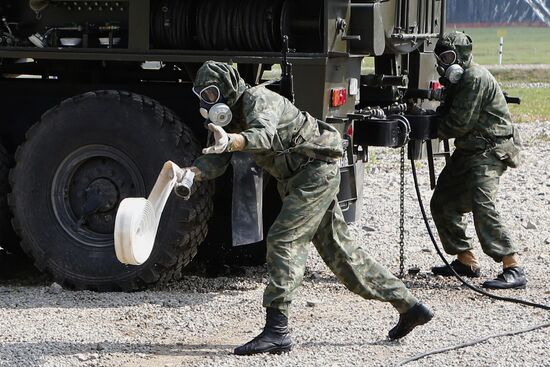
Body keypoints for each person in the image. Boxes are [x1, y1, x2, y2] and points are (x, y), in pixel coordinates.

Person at [184, 61, 433, 356]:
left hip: (314, 172)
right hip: (296, 178)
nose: (207, 103)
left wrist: (234, 140)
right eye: (202, 96)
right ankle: (410, 306)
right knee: (342, 254)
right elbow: (217, 158)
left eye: (212, 94)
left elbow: (262, 135)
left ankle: (277, 330)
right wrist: (190, 173)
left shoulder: (258, 100)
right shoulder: (227, 119)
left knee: (284, 239)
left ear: (227, 88)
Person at [430, 31, 527, 289]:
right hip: (469, 150)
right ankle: (466, 260)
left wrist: (428, 127)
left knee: (483, 205)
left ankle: (513, 266)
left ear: (462, 55)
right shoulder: (458, 81)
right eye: (441, 58)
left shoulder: (474, 77)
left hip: (489, 150)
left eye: (449, 56)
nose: (445, 63)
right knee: (443, 201)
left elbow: (458, 124)